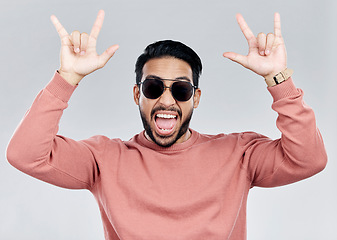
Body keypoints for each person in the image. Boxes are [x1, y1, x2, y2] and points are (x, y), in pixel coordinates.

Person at [7, 10, 327, 240]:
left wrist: (278, 78)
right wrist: (68, 78)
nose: (167, 100)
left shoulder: (238, 154)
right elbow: (25, 154)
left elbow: (308, 159)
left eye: (181, 89)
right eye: (153, 87)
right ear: (137, 94)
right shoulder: (103, 159)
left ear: (196, 98)